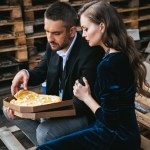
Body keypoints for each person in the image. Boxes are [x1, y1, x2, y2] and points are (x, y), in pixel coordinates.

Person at [36, 1, 149, 150]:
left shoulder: (108, 65)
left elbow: (109, 122)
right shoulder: (118, 55)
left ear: (101, 27)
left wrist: (86, 97)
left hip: (117, 138)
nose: (83, 35)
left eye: (86, 29)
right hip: (123, 132)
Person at [3, 1, 104, 146]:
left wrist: (42, 111)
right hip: (53, 108)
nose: (49, 38)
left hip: (80, 113)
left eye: (56, 33)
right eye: (47, 31)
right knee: (8, 109)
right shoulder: (54, 43)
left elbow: (81, 104)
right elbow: (42, 70)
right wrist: (26, 73)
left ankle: (48, 143)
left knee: (45, 133)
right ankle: (49, 145)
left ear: (72, 31)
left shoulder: (90, 52)